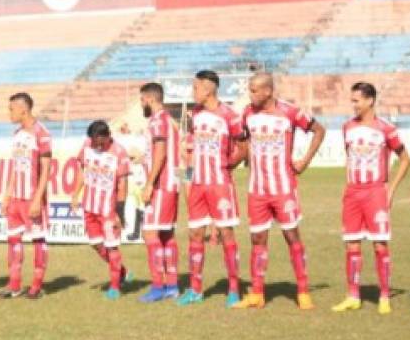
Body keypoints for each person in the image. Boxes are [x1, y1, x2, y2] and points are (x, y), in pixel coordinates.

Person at [235, 72, 325, 310]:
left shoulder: (290, 112)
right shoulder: (247, 114)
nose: (251, 94)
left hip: (283, 188)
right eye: (250, 89)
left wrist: (305, 161)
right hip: (257, 188)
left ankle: (303, 291)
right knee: (257, 239)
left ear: (268, 91)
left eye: (254, 90)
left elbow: (319, 131)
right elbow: (243, 143)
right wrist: (231, 161)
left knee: (292, 236)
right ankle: (257, 293)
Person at [332, 82, 410, 314]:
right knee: (352, 245)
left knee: (379, 245)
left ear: (370, 101)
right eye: (352, 100)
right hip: (352, 192)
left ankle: (384, 295)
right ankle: (353, 295)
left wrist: (391, 190)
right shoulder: (347, 127)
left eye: (357, 100)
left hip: (376, 192)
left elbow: (406, 159)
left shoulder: (386, 129)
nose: (353, 105)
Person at [182, 71, 247, 307]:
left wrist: (229, 164)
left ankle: (233, 289)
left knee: (226, 233)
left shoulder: (229, 115)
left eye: (195, 88)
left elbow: (243, 146)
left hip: (219, 184)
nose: (193, 92)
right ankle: (195, 289)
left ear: (208, 89)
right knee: (195, 234)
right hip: (198, 183)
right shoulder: (195, 115)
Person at [70, 120, 132, 300]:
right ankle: (123, 272)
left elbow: (122, 185)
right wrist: (75, 194)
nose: (96, 145)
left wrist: (119, 213)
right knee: (96, 244)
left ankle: (115, 287)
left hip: (108, 210)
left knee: (112, 246)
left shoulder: (119, 152)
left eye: (99, 142)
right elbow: (83, 171)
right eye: (94, 142)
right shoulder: (87, 145)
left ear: (107, 136)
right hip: (90, 206)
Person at [0, 92, 52, 300]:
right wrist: (7, 194)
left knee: (38, 239)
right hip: (16, 198)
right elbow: (15, 167)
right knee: (13, 240)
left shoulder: (42, 133)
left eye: (11, 109)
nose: (9, 113)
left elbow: (46, 169)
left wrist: (38, 198)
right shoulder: (17, 135)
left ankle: (36, 286)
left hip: (32, 197)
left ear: (23, 109)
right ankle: (14, 285)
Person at [137, 82, 182, 303]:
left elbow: (161, 152)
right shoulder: (169, 121)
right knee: (166, 234)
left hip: (161, 185)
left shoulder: (157, 121)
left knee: (150, 233)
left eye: (142, 100)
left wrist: (149, 183)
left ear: (150, 99)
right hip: (171, 184)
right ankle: (172, 285)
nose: (141, 104)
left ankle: (157, 286)